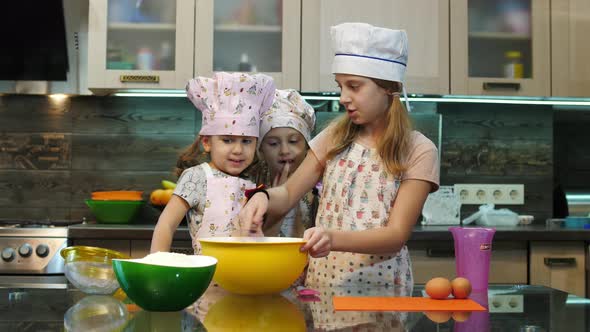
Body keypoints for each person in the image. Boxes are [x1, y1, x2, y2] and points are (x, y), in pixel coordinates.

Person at [239, 22, 439, 289]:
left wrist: (332, 238)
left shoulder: (419, 150)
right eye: (340, 86)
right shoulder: (334, 138)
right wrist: (262, 196)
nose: (343, 97)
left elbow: (396, 235)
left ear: (388, 88)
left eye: (354, 86)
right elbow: (287, 195)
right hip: (324, 284)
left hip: (381, 290)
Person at [151, 72, 275, 254]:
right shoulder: (197, 177)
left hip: (248, 275)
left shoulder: (255, 180)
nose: (238, 150)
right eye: (227, 140)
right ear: (207, 142)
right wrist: (156, 264)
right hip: (209, 277)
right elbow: (167, 224)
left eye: (247, 141)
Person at [255, 89, 318, 237]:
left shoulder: (320, 190)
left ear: (307, 146)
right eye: (273, 143)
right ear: (261, 150)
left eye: (293, 141)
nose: (284, 150)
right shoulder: (251, 188)